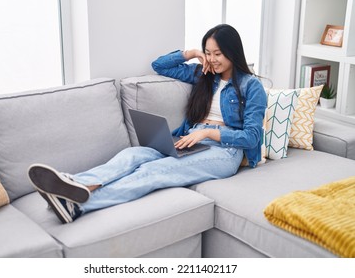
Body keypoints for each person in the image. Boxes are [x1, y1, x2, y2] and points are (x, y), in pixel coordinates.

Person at [28, 24, 267, 224]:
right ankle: (73, 184)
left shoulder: (251, 86)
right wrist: (192, 53)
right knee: (133, 155)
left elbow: (252, 136)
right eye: (208, 52)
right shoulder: (202, 75)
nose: (212, 59)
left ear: (232, 52)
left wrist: (208, 132)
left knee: (154, 171)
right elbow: (160, 65)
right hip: (191, 138)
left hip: (225, 151)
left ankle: (77, 206)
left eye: (218, 54)